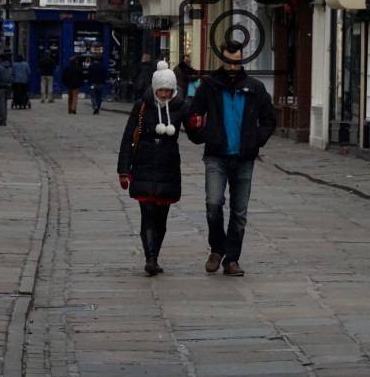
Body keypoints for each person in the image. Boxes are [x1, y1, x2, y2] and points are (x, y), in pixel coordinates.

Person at [187, 42, 276, 277]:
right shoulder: (210, 86)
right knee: (213, 204)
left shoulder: (254, 87)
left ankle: (231, 260)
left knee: (239, 212)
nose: (232, 66)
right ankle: (217, 248)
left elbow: (269, 119)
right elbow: (193, 115)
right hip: (216, 156)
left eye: (236, 61)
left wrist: (257, 140)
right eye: (228, 61)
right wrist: (203, 135)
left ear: (242, 59)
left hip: (244, 157)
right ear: (222, 59)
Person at [117, 61, 189, 276]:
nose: (164, 94)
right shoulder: (142, 105)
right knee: (147, 212)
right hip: (144, 164)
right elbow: (129, 138)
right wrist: (123, 169)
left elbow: (194, 132)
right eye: (161, 90)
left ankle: (154, 254)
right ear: (155, 88)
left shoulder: (181, 106)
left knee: (162, 216)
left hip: (168, 167)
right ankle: (151, 259)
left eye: (168, 90)